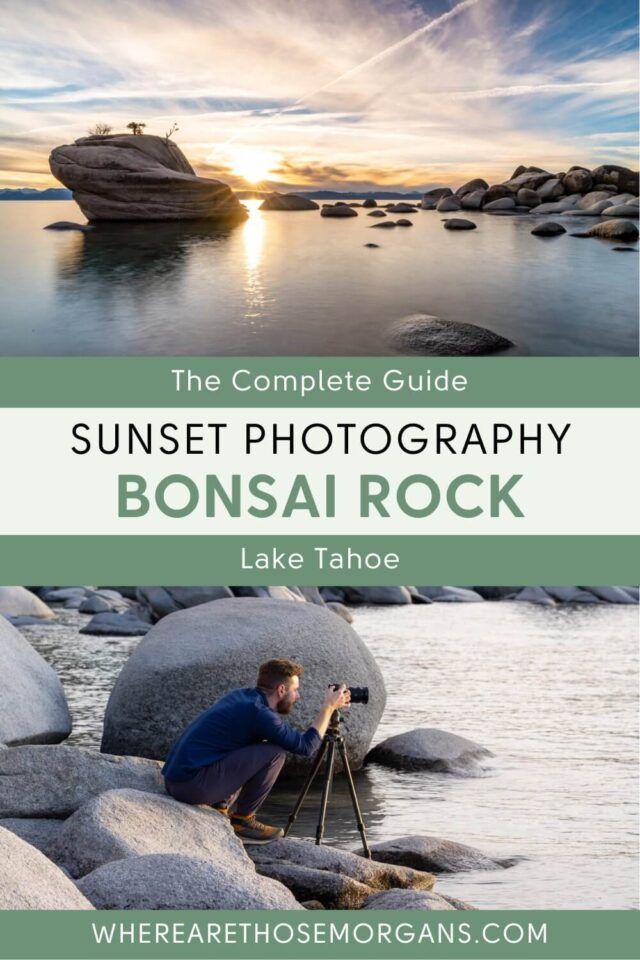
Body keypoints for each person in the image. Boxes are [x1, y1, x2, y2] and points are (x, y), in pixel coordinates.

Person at [162, 658, 351, 843]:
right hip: (191, 787)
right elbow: (306, 747)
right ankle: (242, 820)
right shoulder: (261, 714)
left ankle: (221, 805)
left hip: (176, 780)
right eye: (295, 690)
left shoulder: (242, 697)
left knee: (257, 744)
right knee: (275, 753)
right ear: (281, 690)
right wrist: (328, 707)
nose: (297, 697)